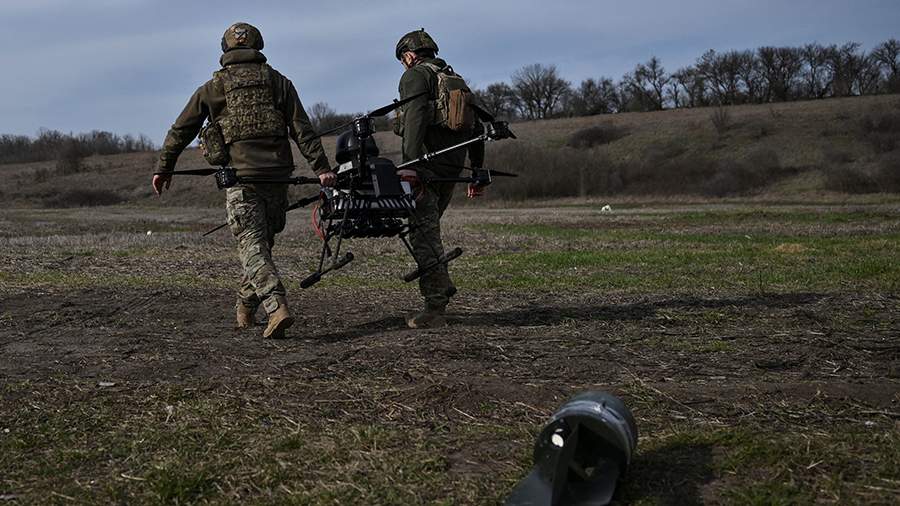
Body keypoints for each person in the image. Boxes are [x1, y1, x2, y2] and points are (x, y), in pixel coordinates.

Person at [152, 22, 336, 339]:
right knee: (260, 246)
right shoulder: (279, 82)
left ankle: (276, 307)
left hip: (241, 180)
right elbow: (301, 129)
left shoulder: (213, 87)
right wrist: (322, 168)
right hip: (278, 178)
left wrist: (164, 167)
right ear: (258, 46)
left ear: (225, 50)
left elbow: (181, 130)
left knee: (253, 247)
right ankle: (246, 304)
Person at [394, 28, 485, 329]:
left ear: (409, 55)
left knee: (422, 236)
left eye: (402, 59)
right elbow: (477, 127)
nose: (404, 65)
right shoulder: (454, 78)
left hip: (425, 169)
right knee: (429, 233)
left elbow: (414, 118)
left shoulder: (416, 76)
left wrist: (408, 165)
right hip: (452, 170)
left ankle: (435, 308)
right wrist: (477, 169)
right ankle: (442, 288)